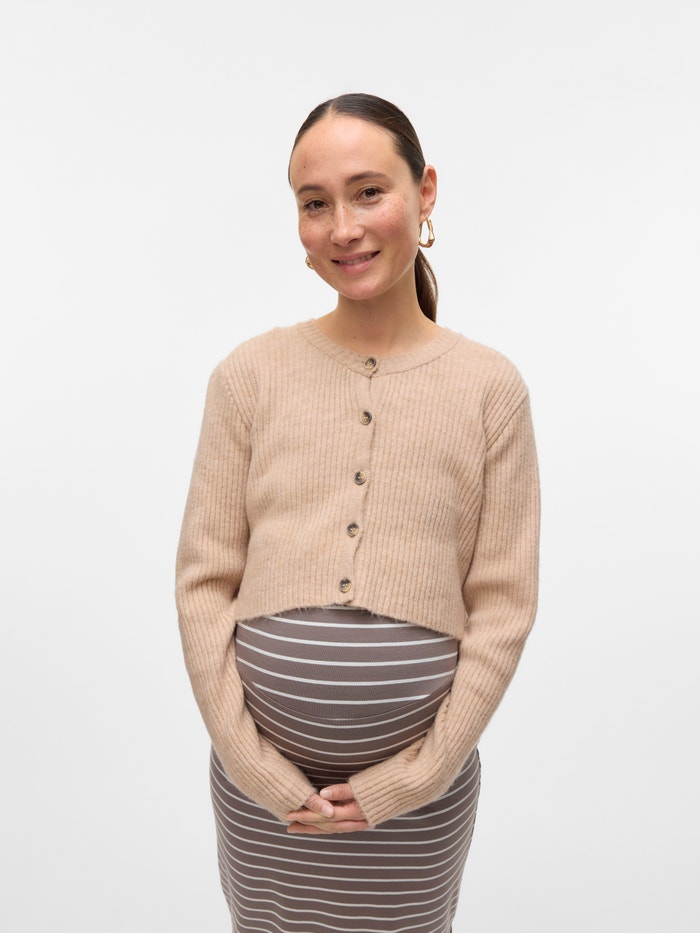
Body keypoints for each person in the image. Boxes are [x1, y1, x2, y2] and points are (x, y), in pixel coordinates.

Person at [176, 92, 540, 933]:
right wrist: (254, 768)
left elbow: (504, 605)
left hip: (420, 805)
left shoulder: (490, 389)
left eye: (369, 192)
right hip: (264, 803)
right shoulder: (249, 376)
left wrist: (417, 777)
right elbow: (203, 584)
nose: (342, 227)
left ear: (425, 191)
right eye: (315, 203)